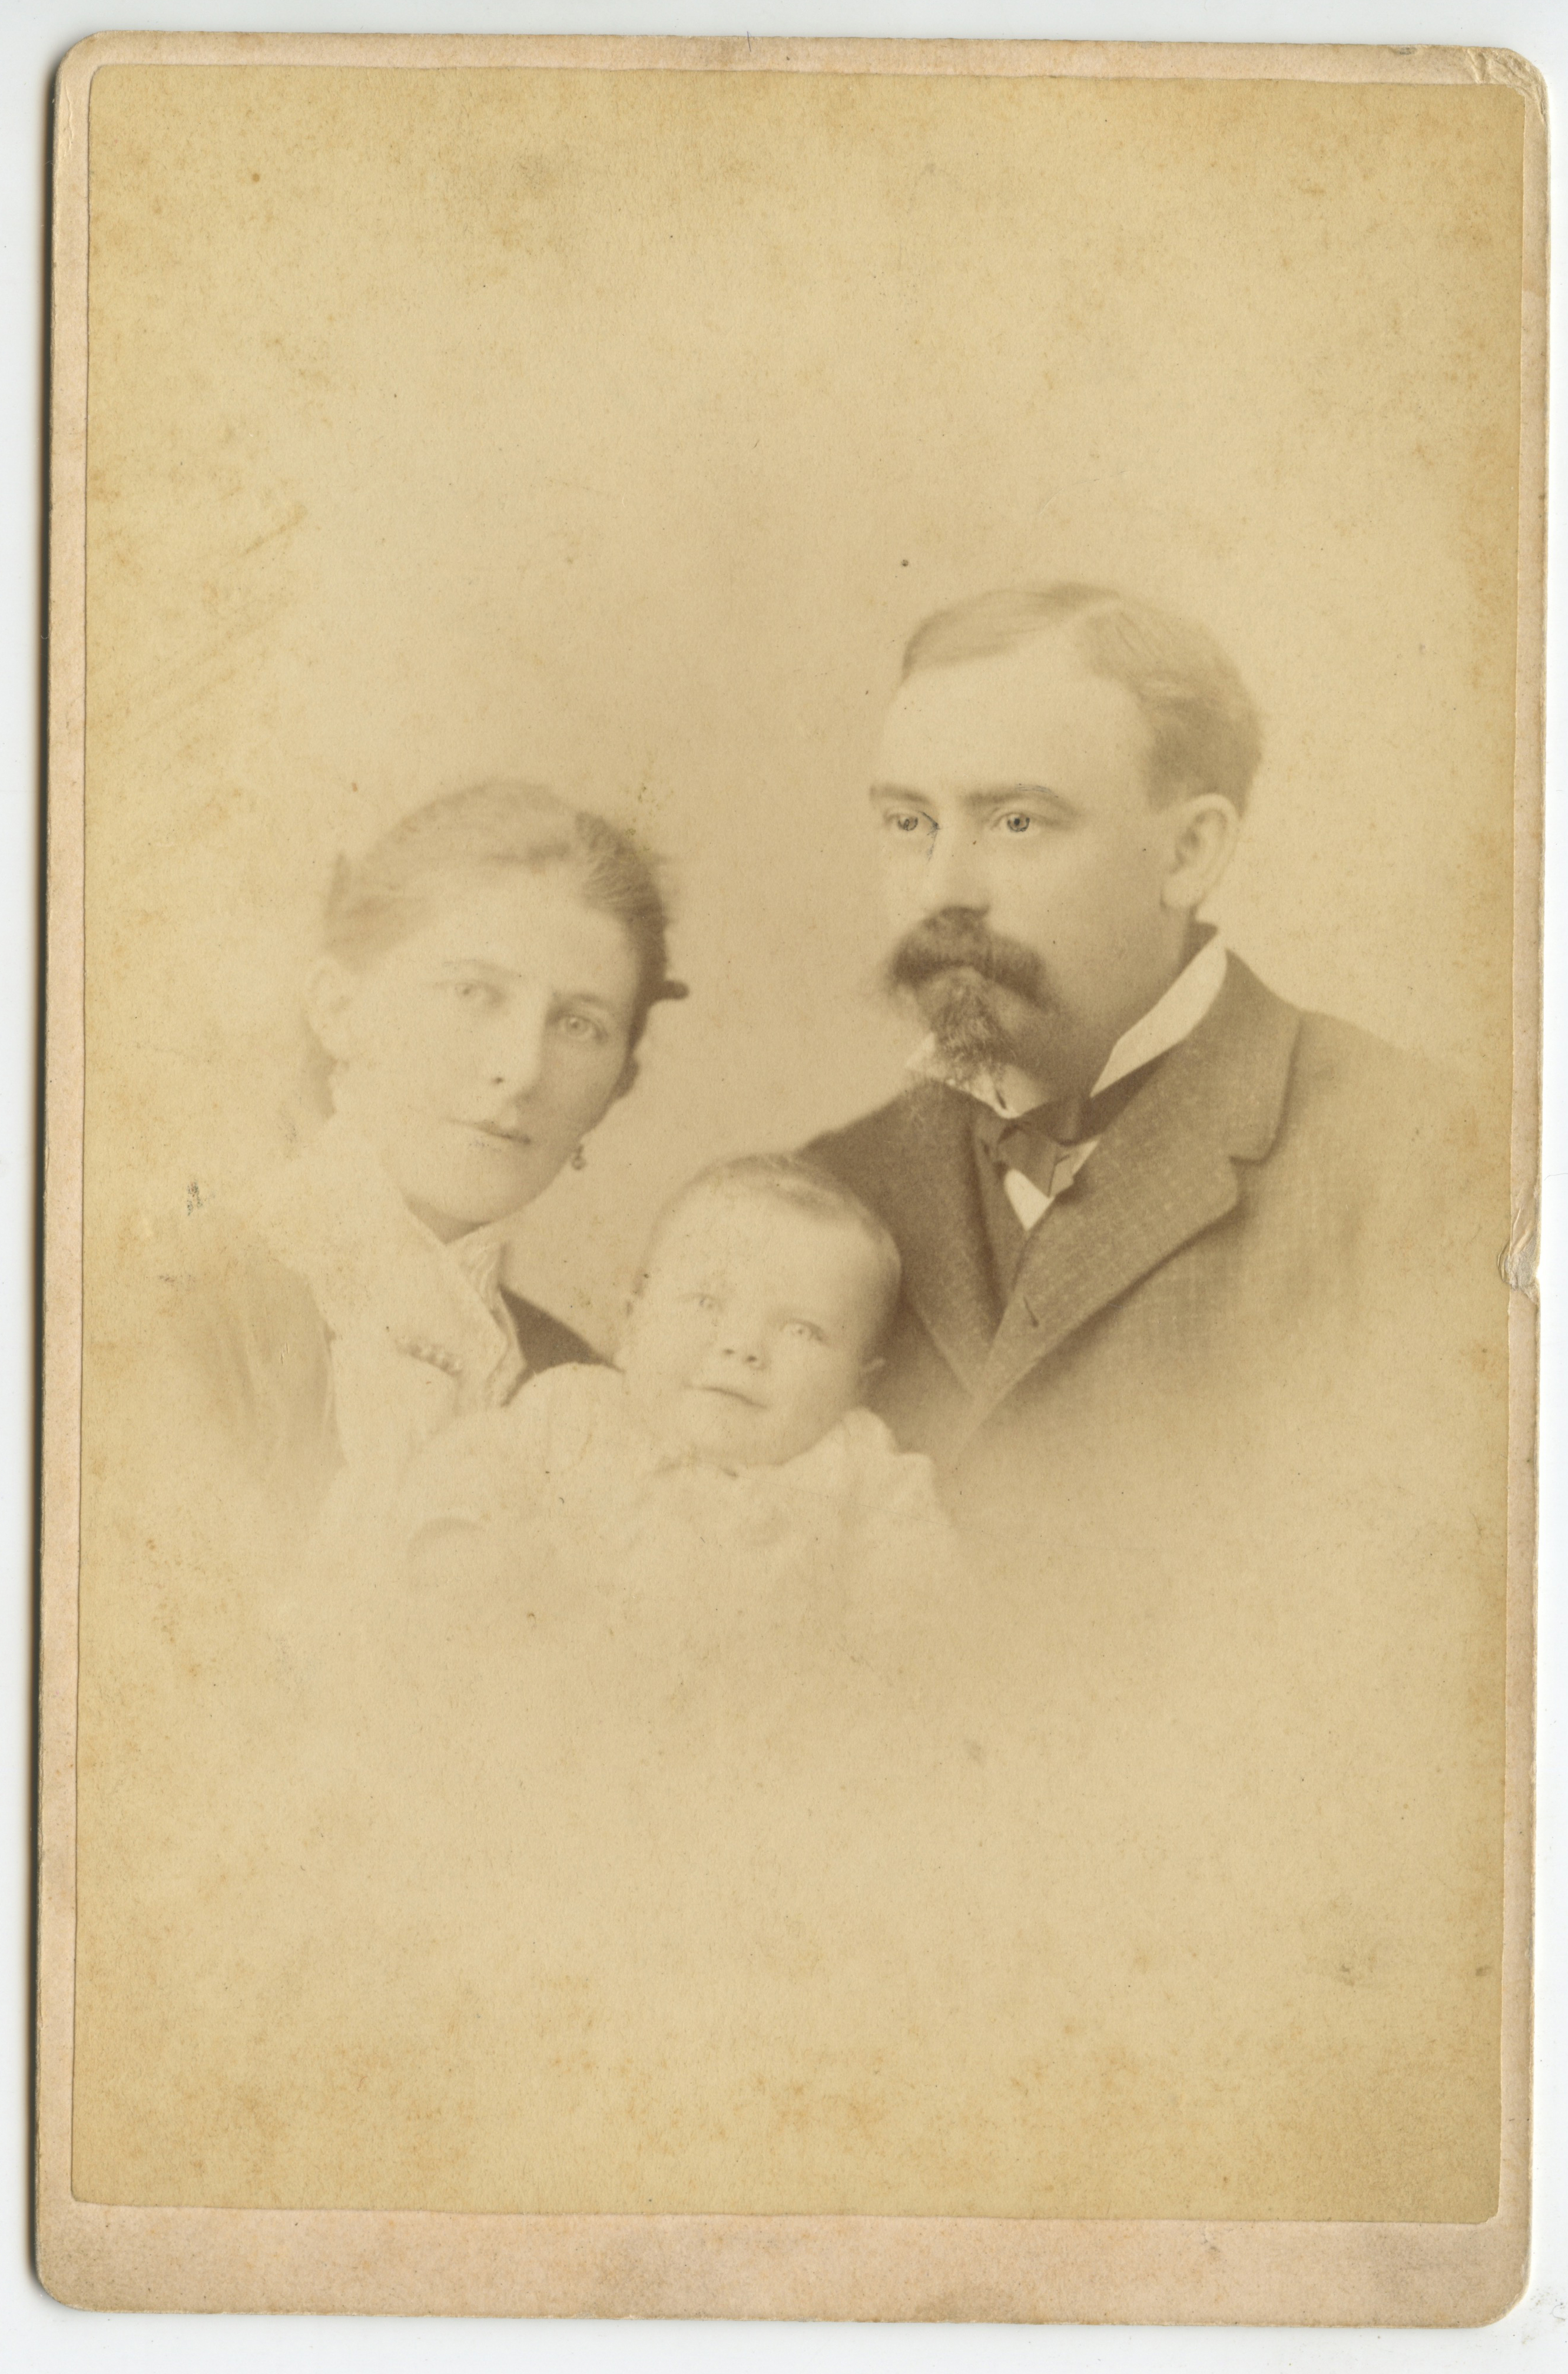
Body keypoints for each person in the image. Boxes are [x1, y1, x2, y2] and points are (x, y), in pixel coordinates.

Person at [801, 583, 1510, 2220]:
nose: (943, 885)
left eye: (1016, 820)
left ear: (1191, 850)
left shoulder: (1431, 1170)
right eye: (905, 822)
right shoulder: (819, 1196)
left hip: (1263, 2065)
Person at [394, 1154, 966, 1668]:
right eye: (706, 1302)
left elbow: (920, 1597)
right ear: (631, 1324)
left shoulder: (861, 1466)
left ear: (858, 1383)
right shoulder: (572, 1409)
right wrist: (462, 1549)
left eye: (802, 1330)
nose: (741, 1346)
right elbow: (467, 1467)